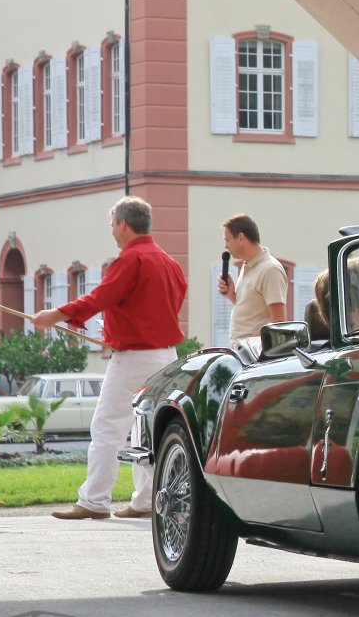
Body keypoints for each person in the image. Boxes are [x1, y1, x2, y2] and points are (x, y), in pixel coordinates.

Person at [32, 196, 188, 521]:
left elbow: (100, 297)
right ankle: (146, 500)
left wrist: (55, 315)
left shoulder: (130, 259)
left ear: (123, 224)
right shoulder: (168, 262)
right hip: (166, 356)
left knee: (106, 427)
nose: (112, 231)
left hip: (133, 358)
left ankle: (94, 500)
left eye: (113, 225)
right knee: (146, 430)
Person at [218, 214, 288, 341]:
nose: (225, 246)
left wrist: (250, 342)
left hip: (254, 351)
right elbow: (251, 313)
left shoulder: (270, 269)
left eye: (227, 240)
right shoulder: (248, 265)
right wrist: (232, 296)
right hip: (242, 349)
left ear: (241, 237)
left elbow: (278, 322)